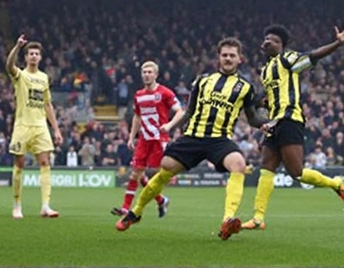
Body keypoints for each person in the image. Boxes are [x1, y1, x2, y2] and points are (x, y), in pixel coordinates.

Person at [115, 37, 271, 240]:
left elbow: (252, 118)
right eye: (224, 55)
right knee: (166, 168)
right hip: (193, 137)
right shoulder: (203, 81)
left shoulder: (245, 87)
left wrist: (263, 125)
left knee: (239, 164)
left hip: (219, 140)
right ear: (218, 57)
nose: (228, 58)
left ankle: (227, 221)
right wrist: (171, 126)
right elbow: (188, 112)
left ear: (239, 59)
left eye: (232, 55)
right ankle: (135, 212)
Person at [242, 24, 344, 231]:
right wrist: (255, 103)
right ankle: (258, 218)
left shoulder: (288, 59)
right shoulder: (265, 71)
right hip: (274, 123)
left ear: (282, 46)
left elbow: (312, 56)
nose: (267, 42)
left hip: (290, 120)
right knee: (266, 168)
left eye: (273, 40)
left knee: (297, 173)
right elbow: (267, 99)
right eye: (265, 39)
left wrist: (337, 43)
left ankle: (336, 183)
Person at [111, 61, 184, 218]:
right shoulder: (139, 95)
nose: (146, 75)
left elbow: (180, 111)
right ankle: (126, 208)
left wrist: (169, 125)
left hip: (159, 139)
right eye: (144, 72)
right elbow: (137, 117)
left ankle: (161, 199)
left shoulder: (165, 93)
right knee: (135, 173)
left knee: (158, 175)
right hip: (144, 140)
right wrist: (131, 137)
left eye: (150, 72)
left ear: (156, 75)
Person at [6, 34, 63, 219]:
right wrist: (17, 47)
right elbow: (9, 66)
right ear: (26, 57)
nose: (33, 56)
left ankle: (45, 206)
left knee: (45, 163)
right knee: (19, 163)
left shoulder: (44, 78)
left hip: (40, 126)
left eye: (36, 53)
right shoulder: (21, 75)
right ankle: (16, 205)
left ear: (40, 57)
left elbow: (47, 105)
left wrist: (56, 129)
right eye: (30, 53)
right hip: (22, 125)